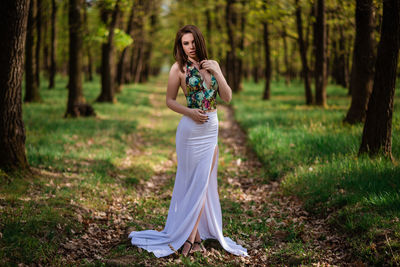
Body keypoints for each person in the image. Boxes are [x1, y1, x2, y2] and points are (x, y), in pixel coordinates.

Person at [128, 25, 248, 258]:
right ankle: (191, 239)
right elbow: (169, 101)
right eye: (185, 43)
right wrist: (190, 113)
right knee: (192, 183)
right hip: (190, 131)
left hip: (211, 130)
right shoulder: (178, 68)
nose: (190, 47)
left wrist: (217, 71)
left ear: (199, 42)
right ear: (180, 45)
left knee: (203, 184)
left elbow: (227, 97)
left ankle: (193, 238)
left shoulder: (212, 65)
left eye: (193, 42)